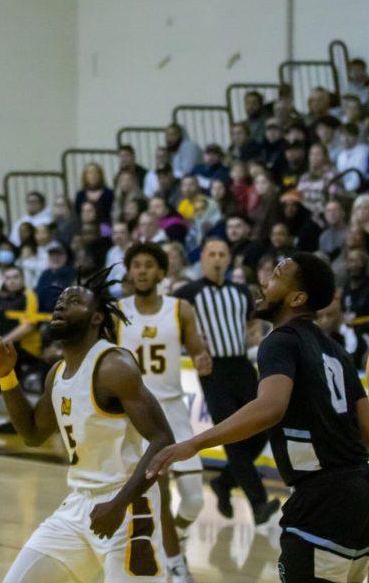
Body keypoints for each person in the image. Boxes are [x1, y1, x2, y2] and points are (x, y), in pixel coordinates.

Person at [150, 253, 369, 582]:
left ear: (297, 298)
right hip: (359, 495)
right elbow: (366, 426)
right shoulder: (336, 351)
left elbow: (270, 407)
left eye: (277, 275)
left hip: (320, 502)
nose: (264, 282)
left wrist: (195, 443)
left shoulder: (280, 341)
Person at [0, 269, 175, 583]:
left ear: (97, 318)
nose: (60, 306)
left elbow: (162, 439)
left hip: (125, 505)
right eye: (59, 301)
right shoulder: (57, 373)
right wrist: (7, 376)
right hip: (78, 506)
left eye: (73, 301)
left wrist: (118, 504)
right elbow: (32, 434)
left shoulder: (114, 367)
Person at [118, 243, 213, 583]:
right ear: (130, 272)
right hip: (138, 417)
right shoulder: (116, 311)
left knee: (194, 501)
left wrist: (203, 360)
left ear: (161, 272)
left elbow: (198, 351)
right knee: (160, 493)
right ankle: (175, 565)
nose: (142, 270)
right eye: (136, 265)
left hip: (175, 412)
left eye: (149, 265)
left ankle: (178, 540)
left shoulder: (180, 309)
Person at [173, 237, 280, 525]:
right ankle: (258, 503)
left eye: (222, 254)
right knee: (231, 435)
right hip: (212, 370)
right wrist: (192, 347)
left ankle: (223, 483)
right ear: (203, 259)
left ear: (229, 258)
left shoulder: (242, 292)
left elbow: (250, 329)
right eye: (212, 254)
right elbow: (173, 330)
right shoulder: (187, 293)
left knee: (264, 426)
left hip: (242, 366)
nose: (217, 259)